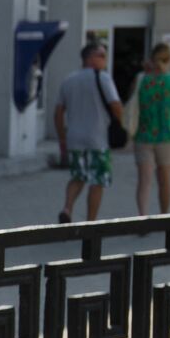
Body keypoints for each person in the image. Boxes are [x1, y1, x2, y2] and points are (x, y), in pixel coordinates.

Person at [55, 41, 124, 223]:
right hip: (98, 139)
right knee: (97, 181)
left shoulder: (69, 79)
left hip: (75, 139)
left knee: (78, 176)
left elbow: (58, 112)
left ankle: (67, 208)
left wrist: (62, 139)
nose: (104, 60)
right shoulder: (103, 78)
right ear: (90, 58)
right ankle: (90, 223)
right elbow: (116, 105)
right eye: (101, 55)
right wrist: (119, 121)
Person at [133, 42, 170, 216]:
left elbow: (131, 102)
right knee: (165, 180)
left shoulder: (142, 79)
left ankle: (142, 218)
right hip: (167, 136)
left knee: (144, 181)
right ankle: (164, 216)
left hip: (143, 135)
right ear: (169, 59)